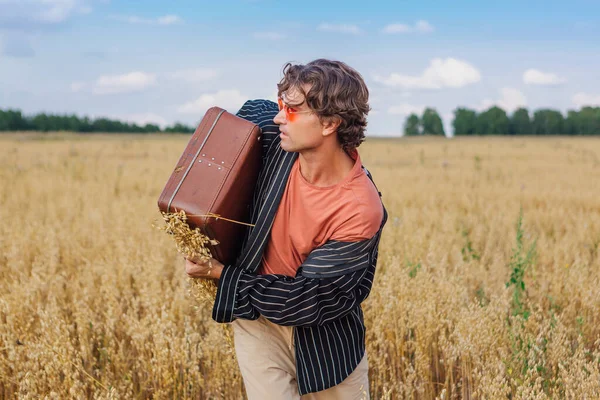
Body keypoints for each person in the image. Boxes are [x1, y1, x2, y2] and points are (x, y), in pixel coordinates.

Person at [185, 58, 387, 399]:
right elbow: (254, 110)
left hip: (326, 343)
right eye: (282, 104)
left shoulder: (359, 209)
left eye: (292, 110)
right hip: (256, 321)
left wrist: (223, 274)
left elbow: (308, 300)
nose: (279, 117)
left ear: (330, 124)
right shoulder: (279, 144)